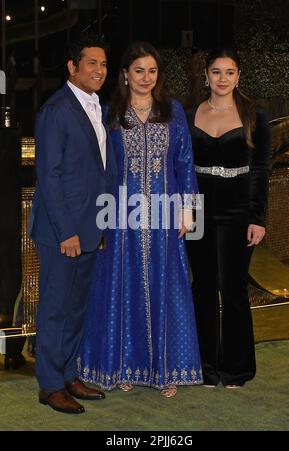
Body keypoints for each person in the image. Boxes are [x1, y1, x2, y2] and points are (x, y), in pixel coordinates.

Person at [78, 41, 202, 398]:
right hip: (120, 215)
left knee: (167, 287)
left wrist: (189, 208)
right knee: (122, 286)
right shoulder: (110, 112)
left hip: (165, 214)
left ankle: (166, 369)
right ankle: (124, 364)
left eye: (152, 71)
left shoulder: (173, 111)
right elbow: (98, 166)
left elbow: (184, 162)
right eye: (138, 71)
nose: (145, 78)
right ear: (125, 75)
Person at [29, 33, 117, 414]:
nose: (99, 70)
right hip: (62, 232)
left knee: (77, 307)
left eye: (103, 64)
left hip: (90, 228)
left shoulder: (97, 106)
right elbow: (49, 177)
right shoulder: (56, 110)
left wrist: (101, 223)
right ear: (72, 67)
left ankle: (68, 373)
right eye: (91, 63)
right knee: (55, 308)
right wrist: (67, 231)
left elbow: (101, 172)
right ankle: (49, 385)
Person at [186, 48, 270, 388]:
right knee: (202, 286)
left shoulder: (254, 115)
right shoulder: (189, 114)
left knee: (232, 287)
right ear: (206, 76)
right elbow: (181, 167)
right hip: (198, 209)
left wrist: (258, 218)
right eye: (217, 72)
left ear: (238, 76)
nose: (223, 79)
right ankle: (204, 366)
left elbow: (261, 169)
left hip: (238, 209)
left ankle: (236, 369)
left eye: (230, 72)